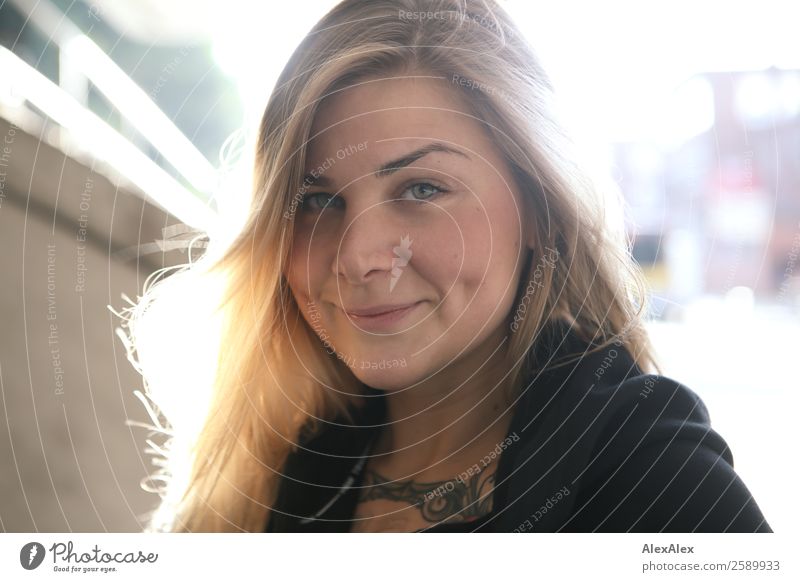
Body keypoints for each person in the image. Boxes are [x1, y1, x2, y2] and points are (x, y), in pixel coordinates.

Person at [119, 0, 771, 533]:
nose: (358, 257)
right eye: (318, 200)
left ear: (539, 207)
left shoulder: (640, 466)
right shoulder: (292, 459)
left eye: (422, 189)